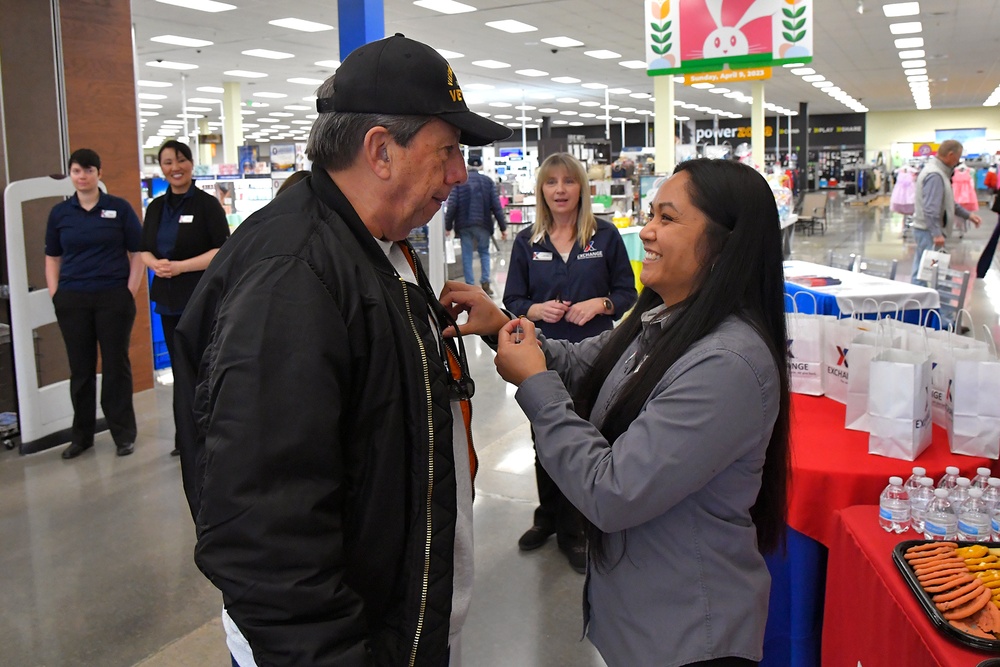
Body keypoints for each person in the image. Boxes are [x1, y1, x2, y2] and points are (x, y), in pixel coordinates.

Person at [171, 34, 512, 667]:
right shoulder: (293, 278)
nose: (461, 175)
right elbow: (264, 530)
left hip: (398, 617)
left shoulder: (377, 247)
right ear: (382, 150)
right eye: (448, 152)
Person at [491, 159, 791, 666]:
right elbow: (581, 362)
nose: (646, 232)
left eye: (667, 219)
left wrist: (536, 387)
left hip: (690, 637)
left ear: (724, 245)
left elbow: (612, 491)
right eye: (650, 215)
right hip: (642, 620)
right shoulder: (664, 323)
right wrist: (497, 324)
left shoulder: (725, 364)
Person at [502, 152, 637, 573]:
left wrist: (602, 302)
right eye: (551, 182)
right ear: (541, 190)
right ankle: (549, 518)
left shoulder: (605, 237)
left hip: (597, 358)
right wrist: (536, 311)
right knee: (544, 440)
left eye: (568, 181)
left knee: (587, 440)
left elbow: (628, 294)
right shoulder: (528, 242)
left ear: (582, 187)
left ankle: (578, 527)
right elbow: (512, 301)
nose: (560, 190)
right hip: (541, 359)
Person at [44, 148, 144, 459]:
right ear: (71, 175)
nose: (83, 176)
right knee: (81, 370)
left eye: (89, 170)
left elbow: (137, 253)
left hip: (113, 297)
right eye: (77, 170)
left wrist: (129, 291)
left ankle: (123, 434)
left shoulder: (119, 208)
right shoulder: (60, 214)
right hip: (73, 299)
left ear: (99, 173)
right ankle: (82, 436)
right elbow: (52, 257)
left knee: (116, 367)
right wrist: (55, 293)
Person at [139, 140, 230, 456]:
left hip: (200, 299)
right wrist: (155, 264)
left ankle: (211, 433)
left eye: (180, 160)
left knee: (205, 368)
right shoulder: (156, 208)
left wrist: (180, 267)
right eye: (167, 162)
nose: (174, 168)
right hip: (167, 301)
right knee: (180, 372)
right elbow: (143, 248)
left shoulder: (206, 205)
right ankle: (186, 438)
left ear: (191, 164)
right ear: (161, 168)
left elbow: (222, 250)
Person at [910, 140, 982, 285]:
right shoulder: (935, 175)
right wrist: (936, 233)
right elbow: (930, 208)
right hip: (928, 232)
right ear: (950, 155)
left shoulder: (939, 173)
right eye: (958, 156)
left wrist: (968, 215)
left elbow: (947, 202)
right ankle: (921, 305)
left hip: (927, 231)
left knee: (930, 271)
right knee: (926, 273)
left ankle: (926, 304)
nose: (958, 161)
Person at [444, 156, 507, 295]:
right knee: (484, 252)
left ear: (467, 165)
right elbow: (496, 207)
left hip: (464, 224)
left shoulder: (460, 183)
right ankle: (485, 283)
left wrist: (447, 226)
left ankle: (470, 286)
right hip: (483, 223)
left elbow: (452, 205)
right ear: (481, 165)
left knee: (467, 254)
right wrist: (503, 228)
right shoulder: (488, 182)